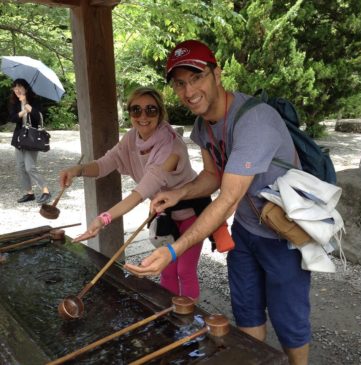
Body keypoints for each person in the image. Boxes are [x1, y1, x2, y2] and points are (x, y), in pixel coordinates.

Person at [124, 40, 311, 365]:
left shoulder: (255, 122)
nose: (189, 90)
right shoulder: (203, 126)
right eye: (180, 83)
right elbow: (212, 175)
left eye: (196, 77)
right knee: (247, 317)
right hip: (246, 232)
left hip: (284, 236)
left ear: (217, 74)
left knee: (289, 324)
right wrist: (179, 194)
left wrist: (173, 249)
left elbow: (227, 197)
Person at [59, 86, 206, 301]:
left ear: (161, 112)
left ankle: (188, 322)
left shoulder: (170, 147)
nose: (143, 116)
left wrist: (103, 218)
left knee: (184, 270)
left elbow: (139, 193)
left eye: (151, 110)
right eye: (136, 110)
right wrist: (77, 170)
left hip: (191, 212)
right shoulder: (131, 138)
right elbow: (104, 164)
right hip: (163, 214)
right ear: (129, 114)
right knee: (164, 268)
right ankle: (167, 316)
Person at [9, 78, 51, 204]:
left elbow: (38, 117)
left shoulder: (35, 101)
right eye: (15, 87)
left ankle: (46, 191)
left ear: (26, 89)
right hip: (19, 138)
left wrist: (27, 104)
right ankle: (29, 193)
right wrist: (23, 110)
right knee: (21, 167)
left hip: (32, 138)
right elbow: (13, 118)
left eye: (20, 87)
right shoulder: (13, 102)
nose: (17, 89)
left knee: (30, 167)